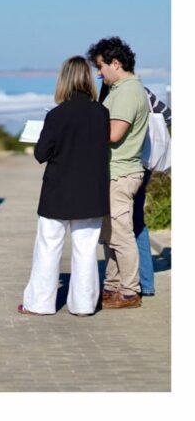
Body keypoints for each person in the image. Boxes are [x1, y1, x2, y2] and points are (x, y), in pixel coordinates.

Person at [18, 56, 110, 316]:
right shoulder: (101, 113)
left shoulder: (57, 115)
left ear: (64, 80)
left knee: (48, 248)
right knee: (85, 250)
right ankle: (83, 305)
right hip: (92, 192)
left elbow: (41, 154)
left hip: (58, 192)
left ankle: (40, 304)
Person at [87, 36, 150, 309]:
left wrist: (81, 130)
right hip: (114, 172)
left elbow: (114, 133)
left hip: (121, 172)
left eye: (100, 67)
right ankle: (112, 287)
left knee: (121, 235)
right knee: (110, 234)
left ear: (116, 63)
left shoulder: (127, 92)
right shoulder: (120, 90)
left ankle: (129, 291)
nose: (98, 73)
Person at [97, 74, 171, 297]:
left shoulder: (118, 94)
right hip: (144, 164)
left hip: (128, 164)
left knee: (128, 224)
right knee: (136, 220)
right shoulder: (144, 92)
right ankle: (144, 283)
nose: (100, 74)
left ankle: (133, 285)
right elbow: (168, 116)